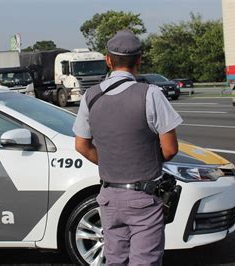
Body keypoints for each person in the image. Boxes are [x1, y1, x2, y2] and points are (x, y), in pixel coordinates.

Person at [73, 30, 182, 265]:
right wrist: (141, 160)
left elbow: (81, 145)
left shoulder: (90, 96)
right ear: (139, 60)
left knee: (115, 260)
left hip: (108, 197)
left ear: (108, 60)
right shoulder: (151, 94)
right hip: (143, 196)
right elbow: (170, 148)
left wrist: (112, 161)